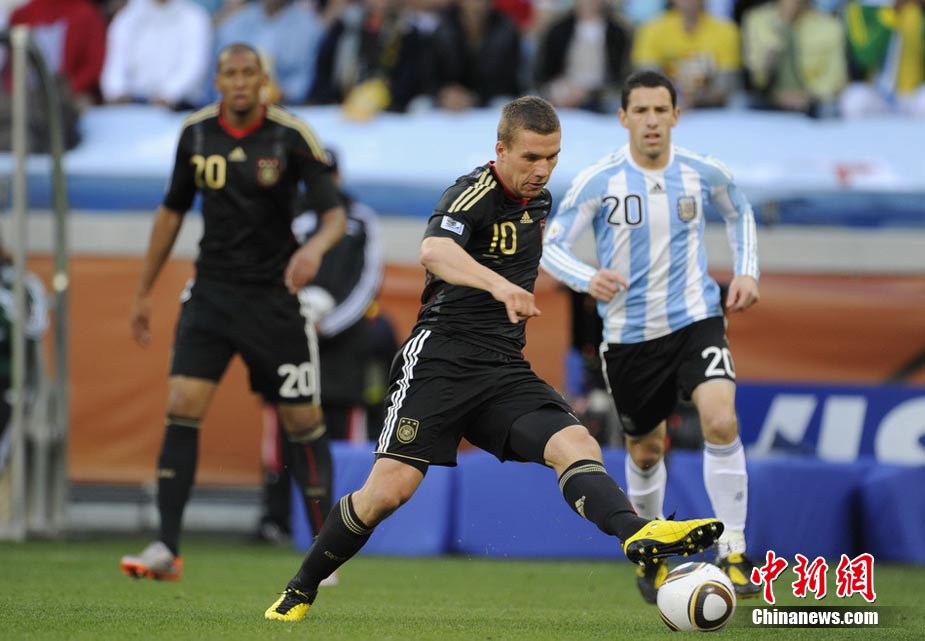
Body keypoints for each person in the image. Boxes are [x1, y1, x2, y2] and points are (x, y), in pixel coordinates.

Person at [263, 94, 724, 622]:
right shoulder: (471, 192)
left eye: (552, 157)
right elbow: (434, 251)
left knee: (576, 444)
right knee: (387, 493)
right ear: (500, 150)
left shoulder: (540, 201)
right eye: (531, 157)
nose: (542, 170)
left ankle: (638, 534)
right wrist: (499, 286)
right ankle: (298, 591)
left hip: (502, 368)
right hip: (440, 361)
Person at [119, 42, 347, 581]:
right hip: (213, 294)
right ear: (217, 81)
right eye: (231, 74)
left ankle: (326, 551)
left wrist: (314, 250)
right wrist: (143, 290)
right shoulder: (196, 134)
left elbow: (333, 214)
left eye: (250, 73)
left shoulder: (291, 135)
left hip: (274, 300)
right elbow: (172, 211)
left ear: (263, 80)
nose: (241, 82)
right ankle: (166, 547)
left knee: (302, 420)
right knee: (183, 403)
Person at [540, 70, 761, 604]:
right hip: (630, 336)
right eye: (641, 110)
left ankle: (733, 549)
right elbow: (551, 245)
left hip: (696, 319)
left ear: (676, 115)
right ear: (624, 118)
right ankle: (653, 549)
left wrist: (748, 271)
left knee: (721, 420)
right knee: (645, 450)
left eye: (661, 110)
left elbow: (740, 212)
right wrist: (586, 278)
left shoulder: (703, 173)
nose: (652, 120)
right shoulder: (599, 181)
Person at [256, 147, 384, 546]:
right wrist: (292, 320)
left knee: (340, 437)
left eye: (328, 173)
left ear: (339, 177)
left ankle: (341, 525)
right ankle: (277, 521)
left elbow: (368, 282)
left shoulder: (360, 219)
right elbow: (266, 271)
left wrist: (327, 323)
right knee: (286, 435)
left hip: (342, 350)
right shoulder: (286, 216)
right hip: (291, 343)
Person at [100, 0, 213, 110]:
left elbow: (194, 64)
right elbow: (115, 63)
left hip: (181, 106)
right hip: (134, 104)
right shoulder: (127, 17)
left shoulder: (194, 17)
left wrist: (169, 93)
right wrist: (116, 91)